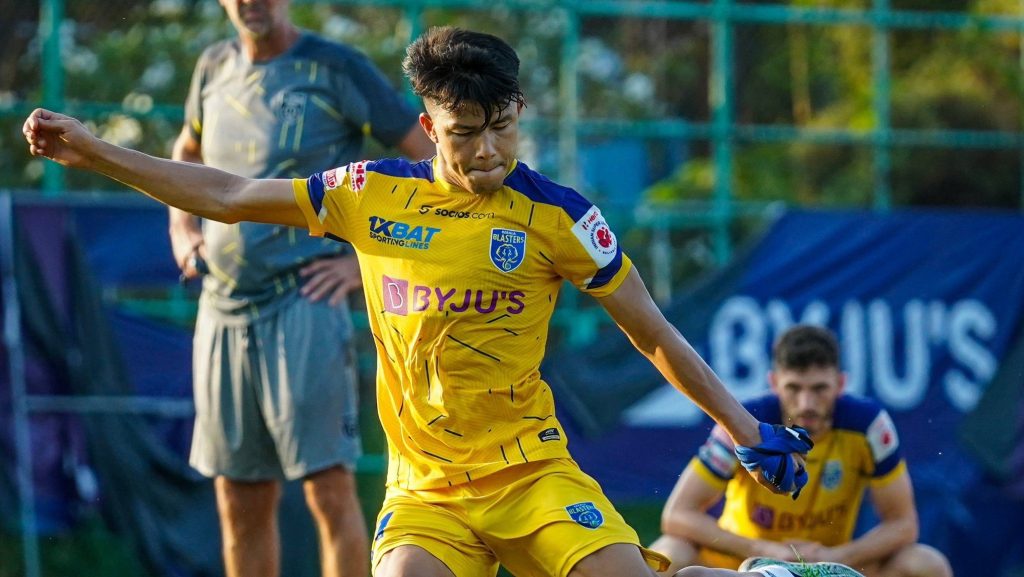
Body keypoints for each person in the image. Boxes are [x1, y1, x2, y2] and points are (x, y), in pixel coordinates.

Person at [24, 26, 867, 577]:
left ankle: (764, 572)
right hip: (427, 492)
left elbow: (654, 336)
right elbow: (235, 193)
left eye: (504, 124)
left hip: (535, 473)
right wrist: (98, 153)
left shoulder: (561, 217)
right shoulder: (370, 194)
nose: (490, 148)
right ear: (429, 127)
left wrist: (747, 428)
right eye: (466, 132)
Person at [167, 1, 434, 576]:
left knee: (327, 489)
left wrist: (359, 264)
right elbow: (184, 154)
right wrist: (182, 227)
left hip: (305, 300)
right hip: (221, 308)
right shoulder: (212, 68)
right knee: (238, 497)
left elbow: (431, 165)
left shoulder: (337, 66)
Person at [651, 325, 953, 577]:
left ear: (840, 384)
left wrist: (837, 558)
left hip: (829, 570)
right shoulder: (746, 423)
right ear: (774, 384)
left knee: (925, 565)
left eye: (819, 388)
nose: (807, 403)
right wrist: (765, 552)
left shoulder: (868, 426)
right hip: (743, 568)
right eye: (794, 388)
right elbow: (677, 515)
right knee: (669, 554)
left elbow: (903, 525)